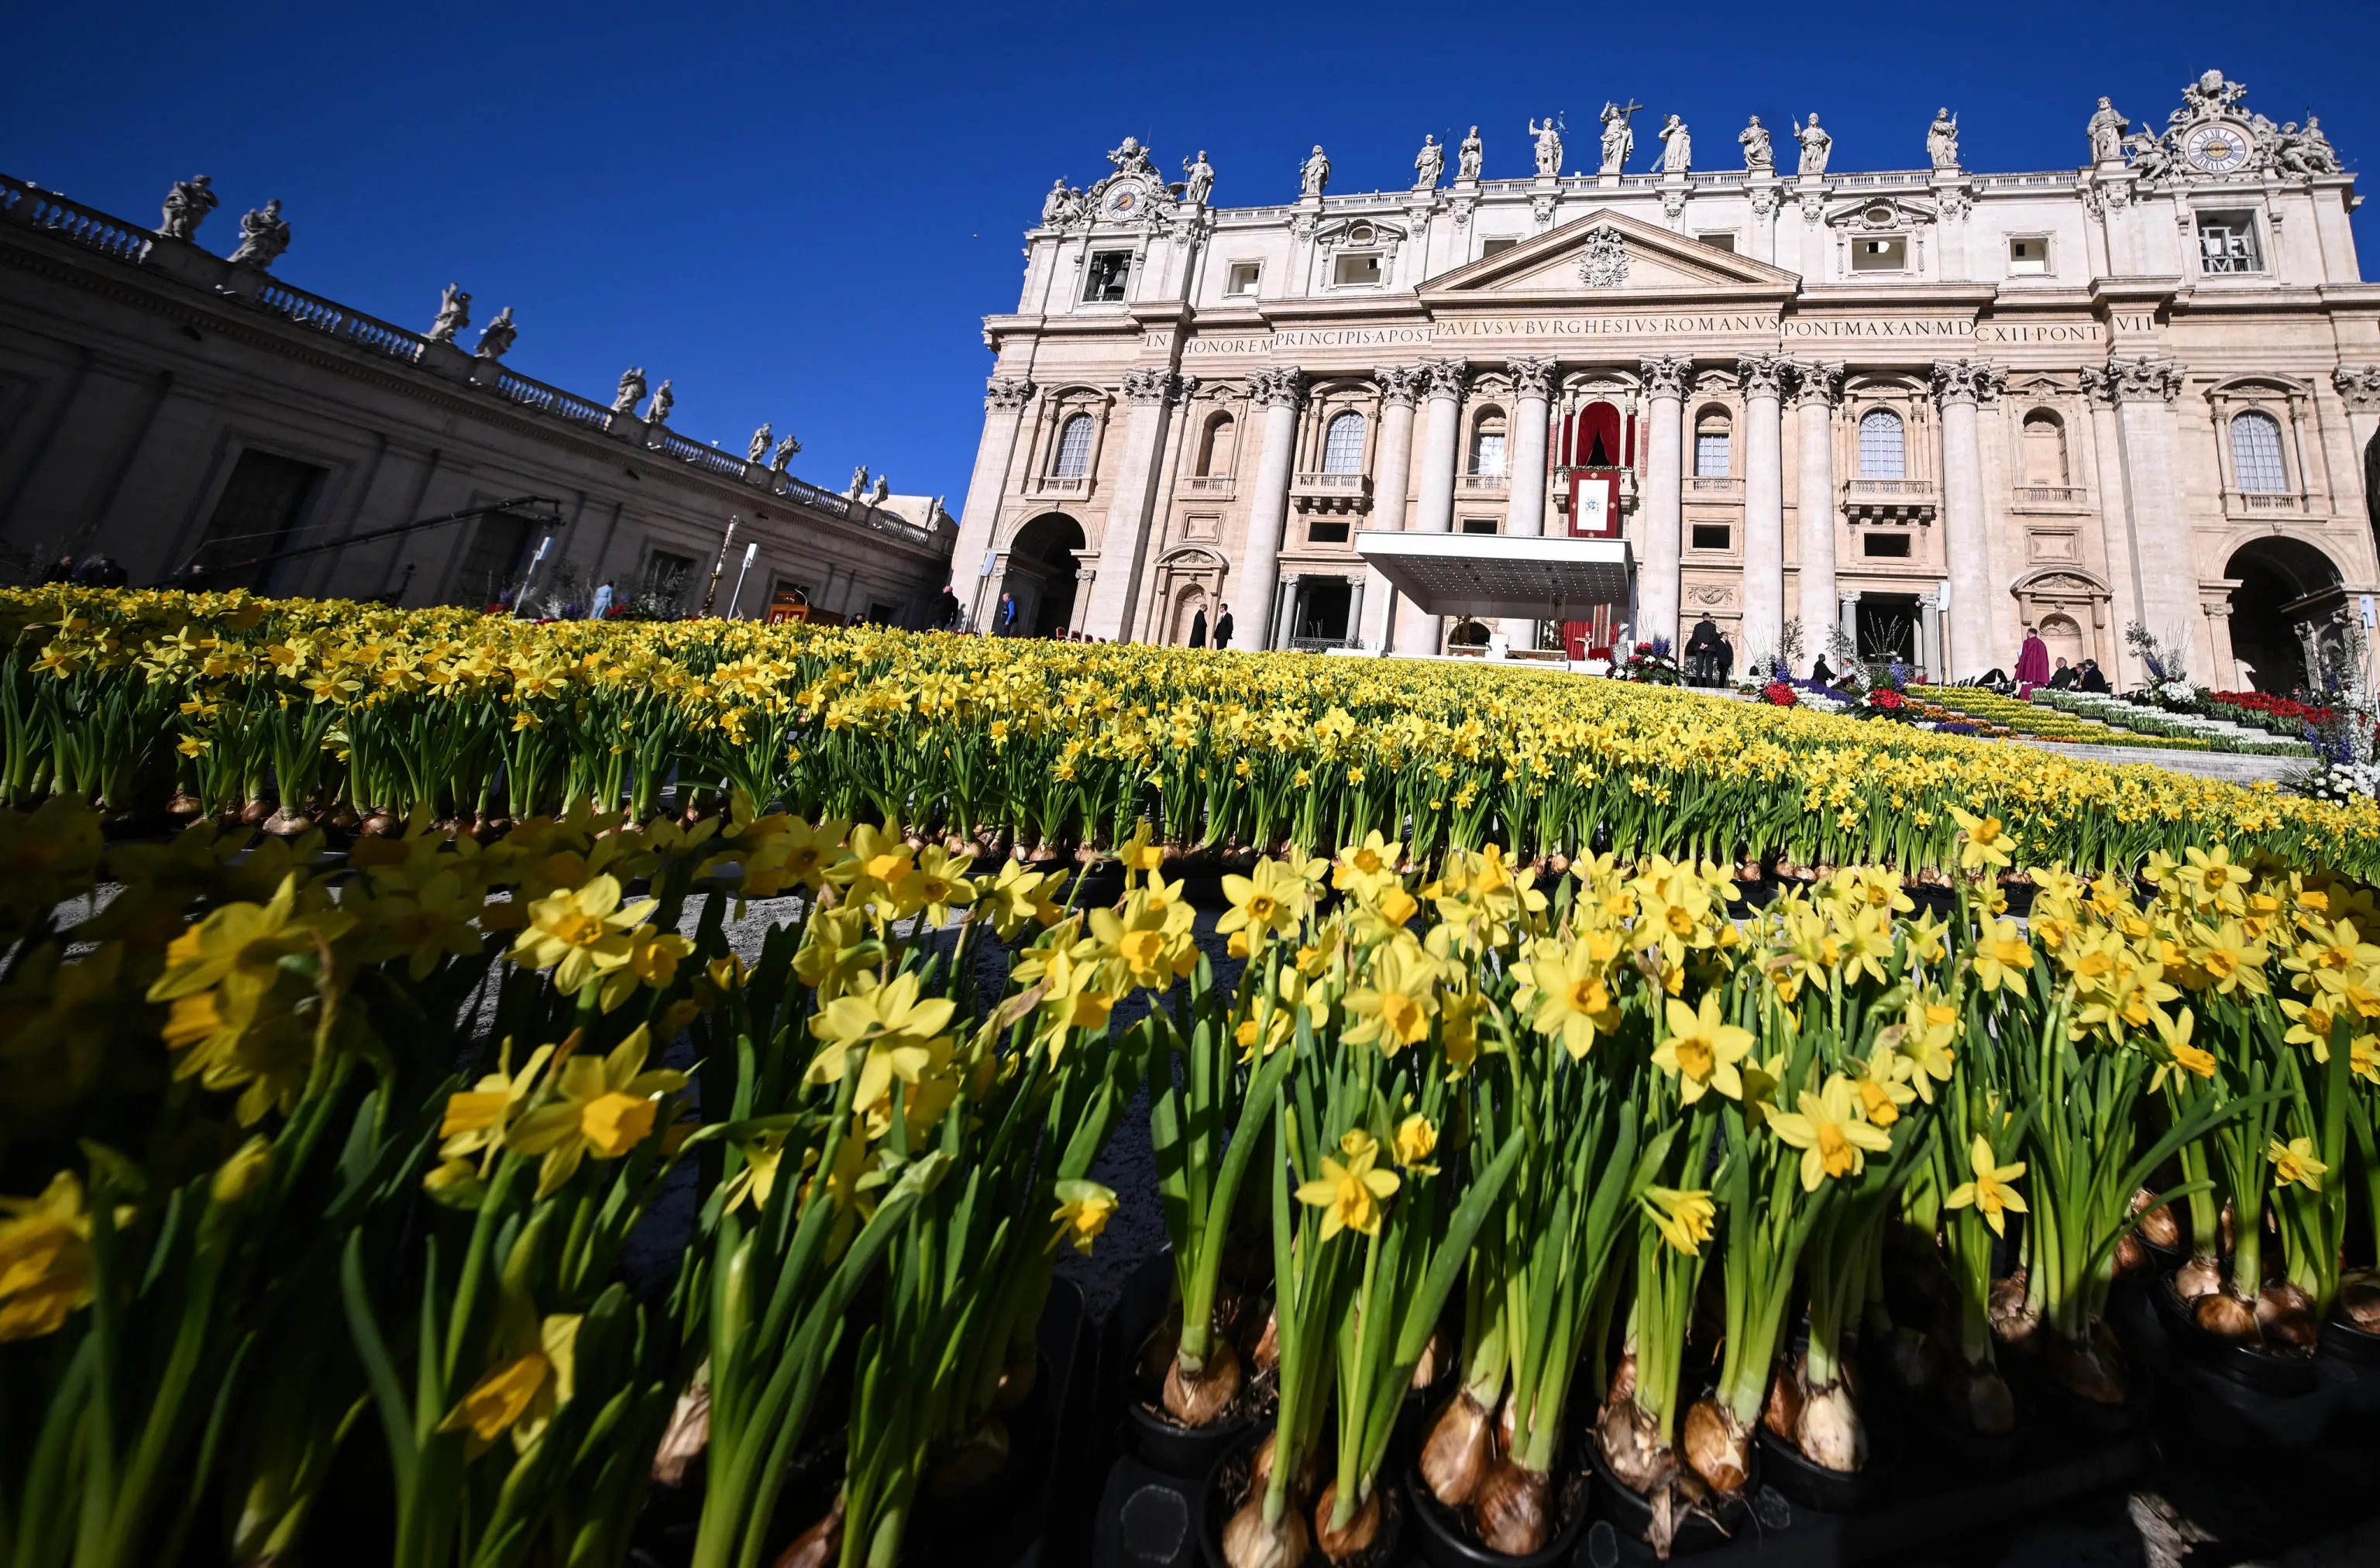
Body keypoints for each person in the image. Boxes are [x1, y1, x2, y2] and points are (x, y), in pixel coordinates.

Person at [1685, 615, 1723, 686]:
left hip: (1699, 648)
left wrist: (1701, 644)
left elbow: (1694, 637)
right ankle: (1709, 684)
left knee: (1699, 666)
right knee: (1709, 667)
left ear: (1703, 618)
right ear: (1709, 618)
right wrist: (1707, 644)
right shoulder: (1713, 626)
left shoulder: (1697, 626)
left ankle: (1699, 684)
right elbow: (1714, 637)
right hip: (1710, 648)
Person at [2015, 624, 2051, 690]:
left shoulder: (2027, 642)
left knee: (2027, 685)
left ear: (2029, 633)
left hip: (2029, 668)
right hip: (2039, 671)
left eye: (2027, 633)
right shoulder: (2041, 643)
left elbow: (2020, 653)